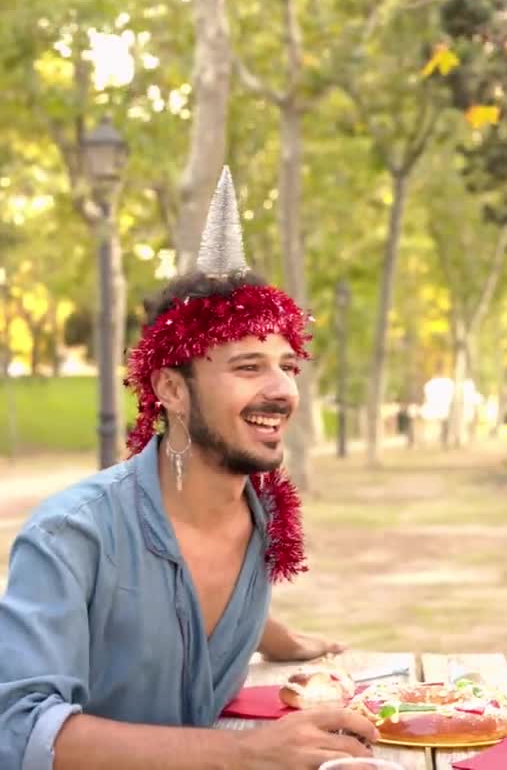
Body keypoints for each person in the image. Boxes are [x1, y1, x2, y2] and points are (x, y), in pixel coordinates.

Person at [0, 168, 377, 769]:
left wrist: (278, 637)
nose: (282, 389)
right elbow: (21, 733)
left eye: (287, 366)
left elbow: (187, 610)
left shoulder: (264, 517)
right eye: (248, 367)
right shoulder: (74, 534)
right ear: (172, 389)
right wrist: (242, 753)